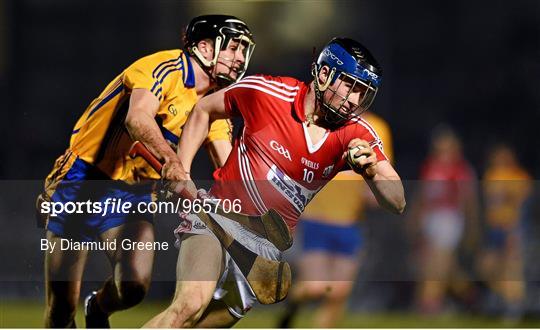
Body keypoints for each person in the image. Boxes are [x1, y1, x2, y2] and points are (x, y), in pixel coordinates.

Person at [143, 37, 406, 328]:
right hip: (216, 215)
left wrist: (371, 171)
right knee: (190, 304)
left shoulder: (357, 133)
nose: (355, 100)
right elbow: (204, 109)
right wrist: (182, 169)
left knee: (200, 324)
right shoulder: (266, 93)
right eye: (350, 86)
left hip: (264, 245)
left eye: (362, 93)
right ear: (323, 74)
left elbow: (397, 201)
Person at [37, 15, 255, 328]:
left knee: (134, 287)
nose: (240, 59)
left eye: (244, 50)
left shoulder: (214, 104)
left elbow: (229, 165)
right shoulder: (164, 67)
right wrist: (171, 159)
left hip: (134, 193)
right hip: (84, 180)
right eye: (234, 48)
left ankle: (97, 309)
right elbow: (137, 118)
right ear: (205, 47)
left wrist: (255, 213)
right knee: (60, 310)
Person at [277, 112, 394, 328]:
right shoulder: (321, 121)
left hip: (351, 223)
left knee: (339, 292)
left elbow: (381, 174)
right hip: (316, 219)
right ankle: (291, 306)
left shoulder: (378, 128)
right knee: (316, 287)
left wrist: (378, 192)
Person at [409, 126, 479, 314]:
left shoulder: (461, 169)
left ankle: (430, 304)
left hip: (449, 218)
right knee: (436, 265)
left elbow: (468, 200)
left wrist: (472, 227)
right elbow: (421, 195)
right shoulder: (430, 165)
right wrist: (415, 217)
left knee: (438, 263)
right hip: (431, 218)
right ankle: (471, 297)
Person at [476, 144, 532, 322]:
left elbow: (522, 208)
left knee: (511, 269)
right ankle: (507, 299)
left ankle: (514, 306)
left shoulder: (520, 177)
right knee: (486, 268)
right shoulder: (491, 175)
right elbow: (489, 206)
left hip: (511, 228)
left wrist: (515, 231)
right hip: (494, 229)